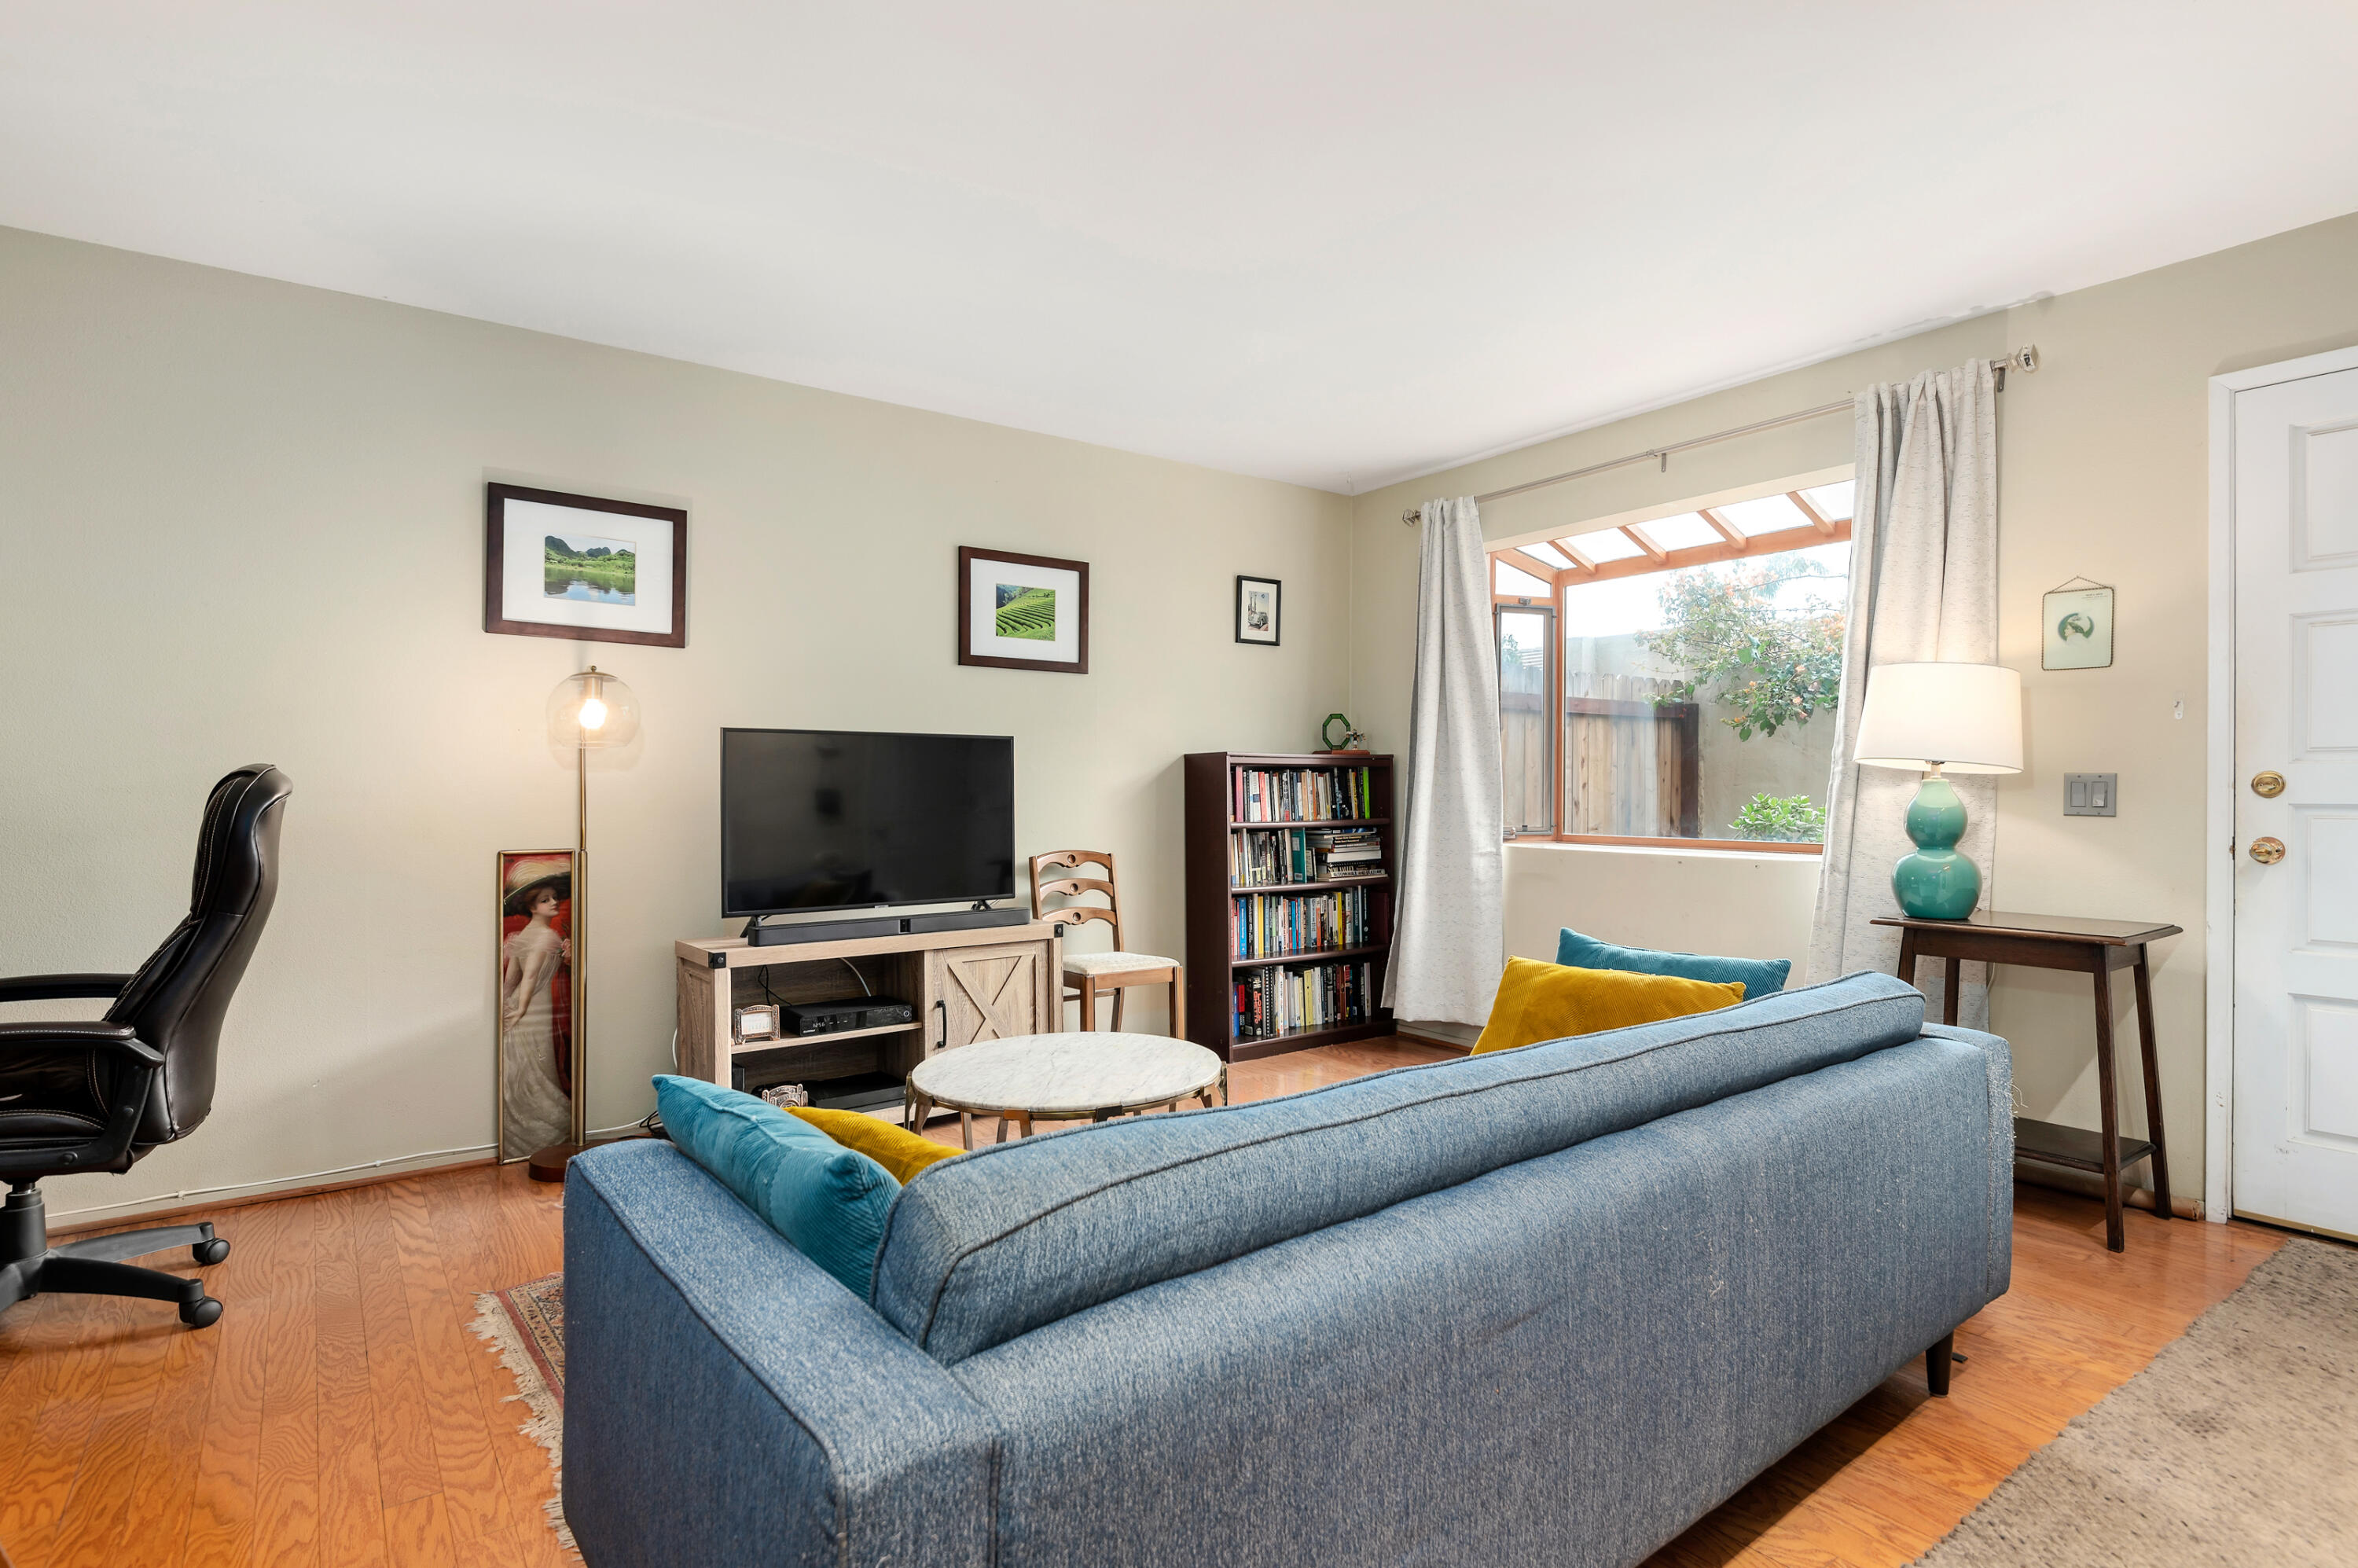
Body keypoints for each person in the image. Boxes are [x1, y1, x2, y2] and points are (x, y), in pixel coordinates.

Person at [501, 879, 572, 1160]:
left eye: (554, 898)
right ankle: (543, 1130)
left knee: (528, 1068)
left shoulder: (524, 935)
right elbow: (528, 976)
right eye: (545, 900)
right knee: (537, 1071)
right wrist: (520, 1010)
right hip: (533, 1008)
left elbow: (511, 981)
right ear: (532, 907)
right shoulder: (545, 936)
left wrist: (507, 1004)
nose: (554, 903)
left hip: (521, 1004)